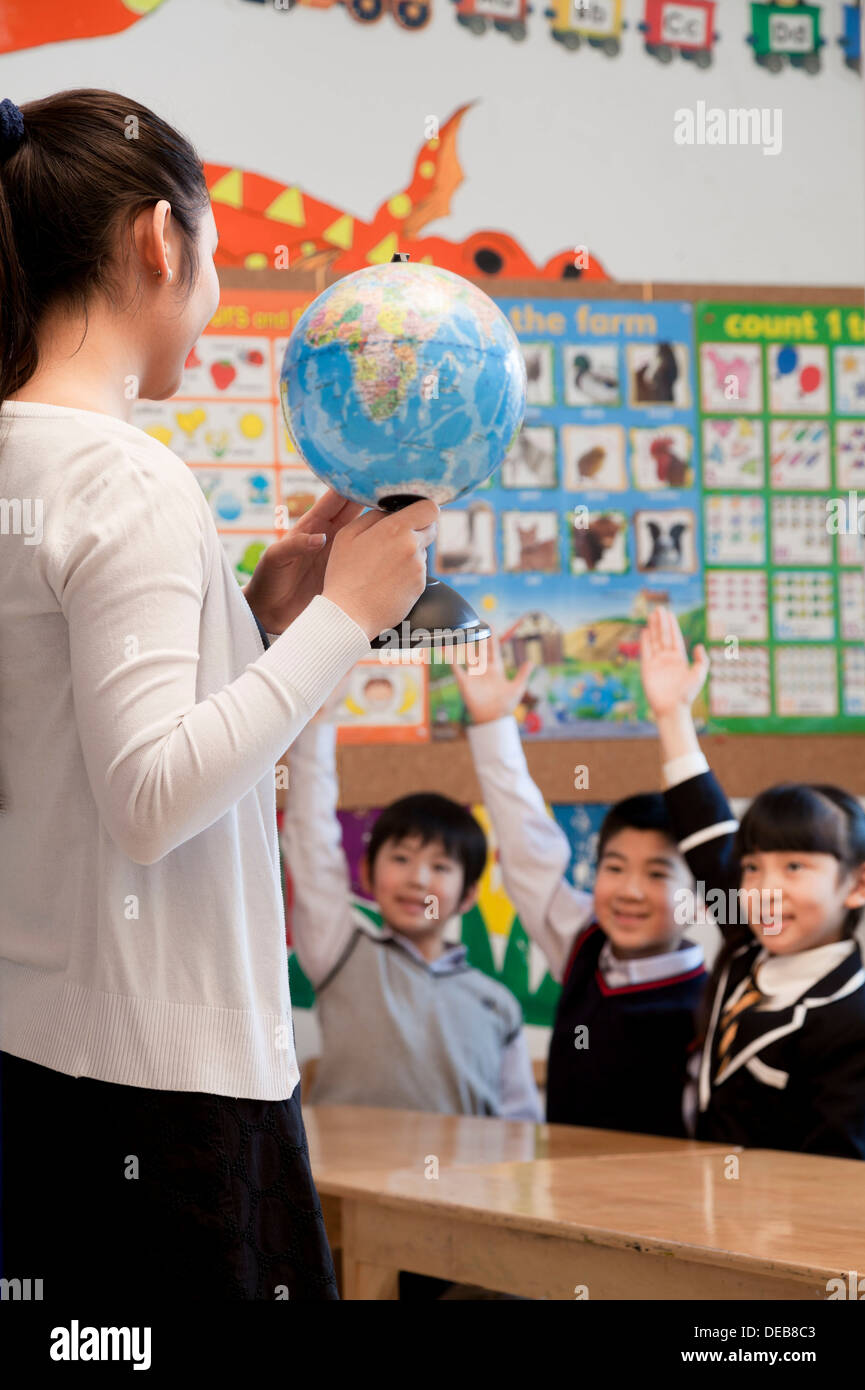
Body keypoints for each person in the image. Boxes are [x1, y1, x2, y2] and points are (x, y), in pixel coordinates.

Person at [0, 87, 439, 1301]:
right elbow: (147, 797)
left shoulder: (24, 454)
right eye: (214, 253)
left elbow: (71, 754)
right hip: (161, 1081)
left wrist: (258, 622)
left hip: (44, 1060)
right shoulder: (123, 474)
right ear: (158, 239)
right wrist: (350, 613)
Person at [452, 634, 706, 1139]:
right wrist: (493, 724)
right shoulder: (583, 943)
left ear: (700, 891)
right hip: (563, 1205)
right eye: (614, 867)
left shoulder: (708, 1001)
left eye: (657, 874)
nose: (630, 891)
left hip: (663, 1213)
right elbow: (529, 851)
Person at [640, 605, 865, 1159]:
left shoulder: (853, 1020)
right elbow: (706, 828)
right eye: (753, 867)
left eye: (795, 867)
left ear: (857, 886)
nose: (766, 887)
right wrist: (672, 716)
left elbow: (838, 1173)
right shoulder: (751, 933)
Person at [281, 717, 541, 1121]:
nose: (417, 879)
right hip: (345, 1179)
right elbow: (309, 838)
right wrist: (318, 723)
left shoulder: (497, 1004)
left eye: (440, 866)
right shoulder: (340, 955)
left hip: (466, 1182)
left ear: (469, 894)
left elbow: (522, 1126)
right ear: (367, 874)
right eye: (401, 859)